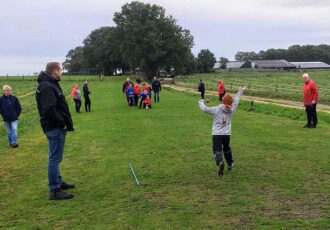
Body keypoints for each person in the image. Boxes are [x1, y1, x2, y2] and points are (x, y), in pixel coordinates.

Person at [36, 62, 75, 200]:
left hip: (54, 126)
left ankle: (59, 182)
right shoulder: (47, 86)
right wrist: (62, 123)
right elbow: (49, 109)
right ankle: (55, 190)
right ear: (55, 71)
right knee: (54, 158)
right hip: (54, 127)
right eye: (61, 70)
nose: (62, 72)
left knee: (55, 158)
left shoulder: (49, 84)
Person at [199, 87, 246, 176]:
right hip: (227, 134)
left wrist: (201, 102)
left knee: (217, 149)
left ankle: (220, 162)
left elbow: (205, 109)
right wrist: (240, 91)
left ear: (222, 100)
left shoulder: (216, 109)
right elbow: (237, 100)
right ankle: (230, 163)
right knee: (227, 148)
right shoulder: (232, 109)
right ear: (231, 102)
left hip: (217, 134)